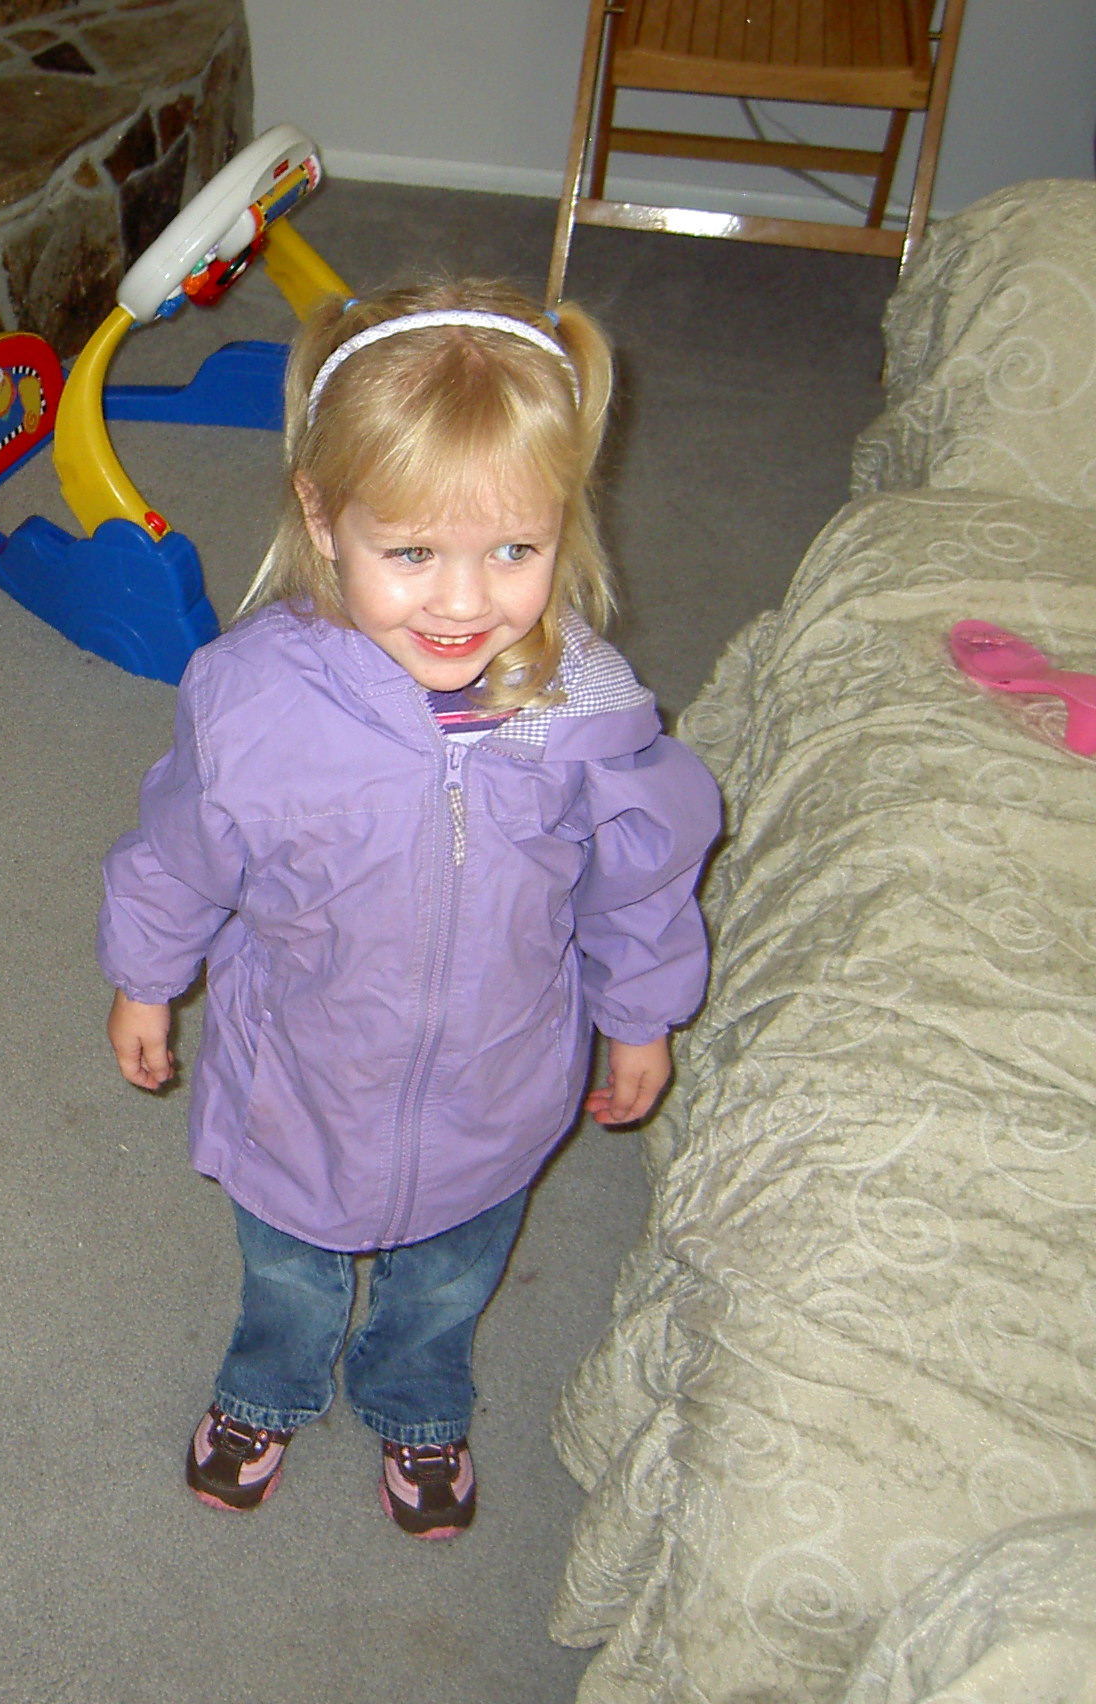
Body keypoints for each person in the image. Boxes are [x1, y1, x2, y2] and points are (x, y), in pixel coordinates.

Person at [97, 280, 721, 1538]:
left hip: (498, 1082)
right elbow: (178, 851)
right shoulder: (253, 701)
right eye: (413, 554)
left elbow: (637, 880)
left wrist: (641, 1016)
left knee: (447, 1278)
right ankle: (267, 1388)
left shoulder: (588, 711)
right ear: (322, 517)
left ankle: (417, 1400)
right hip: (300, 1077)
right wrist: (144, 978)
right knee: (287, 1269)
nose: (463, 602)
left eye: (513, 551)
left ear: (562, 526)